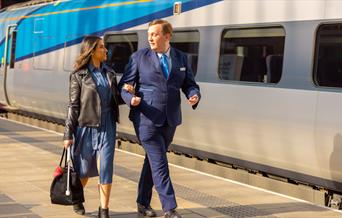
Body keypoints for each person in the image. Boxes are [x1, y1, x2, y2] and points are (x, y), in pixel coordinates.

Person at [119, 19, 200, 218]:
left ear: (167, 36)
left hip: (170, 119)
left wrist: (194, 94)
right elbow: (124, 86)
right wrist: (131, 99)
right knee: (160, 162)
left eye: (154, 34)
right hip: (145, 119)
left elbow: (189, 83)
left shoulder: (181, 58)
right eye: (149, 35)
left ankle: (142, 203)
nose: (150, 38)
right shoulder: (139, 57)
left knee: (152, 162)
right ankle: (169, 208)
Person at [63, 35, 121, 218]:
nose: (106, 51)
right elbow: (73, 106)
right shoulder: (78, 75)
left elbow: (115, 100)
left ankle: (104, 209)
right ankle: (78, 198)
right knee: (84, 170)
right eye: (102, 47)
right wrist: (68, 134)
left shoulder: (109, 73)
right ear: (92, 50)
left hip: (108, 127)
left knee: (106, 167)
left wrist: (129, 94)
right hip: (86, 126)